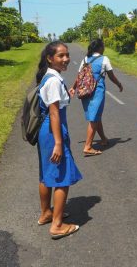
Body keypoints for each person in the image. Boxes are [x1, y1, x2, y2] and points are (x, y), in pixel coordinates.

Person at [36, 41, 82, 239]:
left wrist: (69, 93)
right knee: (62, 178)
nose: (66, 59)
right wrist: (58, 143)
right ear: (50, 58)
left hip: (45, 131)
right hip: (53, 131)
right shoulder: (54, 81)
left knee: (46, 174)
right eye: (61, 56)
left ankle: (46, 213)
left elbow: (55, 104)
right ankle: (57, 225)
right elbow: (54, 114)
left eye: (67, 55)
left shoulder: (49, 77)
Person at [71, 39, 123, 156]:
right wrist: (119, 84)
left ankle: (103, 139)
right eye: (103, 46)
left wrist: (73, 87)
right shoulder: (104, 59)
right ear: (100, 48)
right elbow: (111, 76)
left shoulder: (85, 59)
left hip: (85, 91)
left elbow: (79, 76)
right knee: (94, 118)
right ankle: (88, 146)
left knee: (96, 115)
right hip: (96, 91)